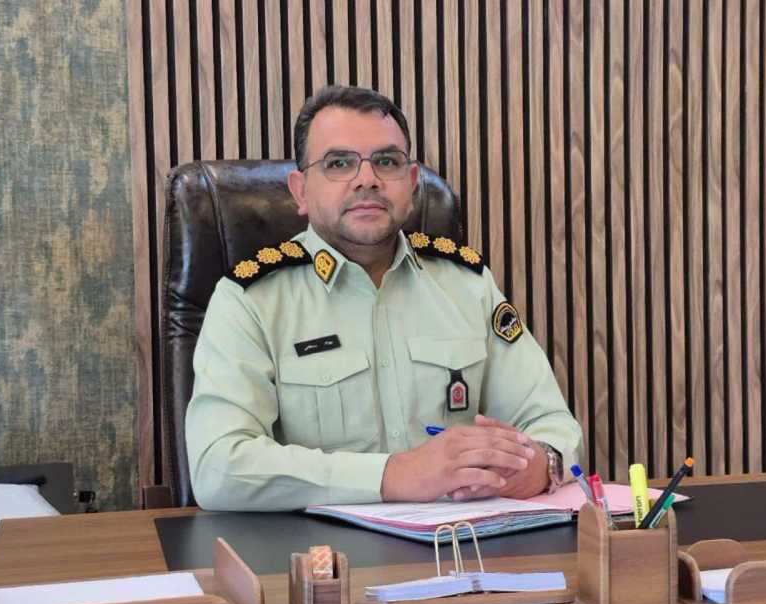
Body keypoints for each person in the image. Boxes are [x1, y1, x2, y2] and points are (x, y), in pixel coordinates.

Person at [186, 85, 583, 511]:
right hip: (320, 549)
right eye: (339, 163)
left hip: (460, 541)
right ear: (300, 191)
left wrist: (539, 465)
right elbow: (217, 467)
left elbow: (549, 422)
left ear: (411, 184)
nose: (367, 179)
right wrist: (394, 474)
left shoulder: (468, 286)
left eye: (387, 161)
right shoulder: (251, 301)